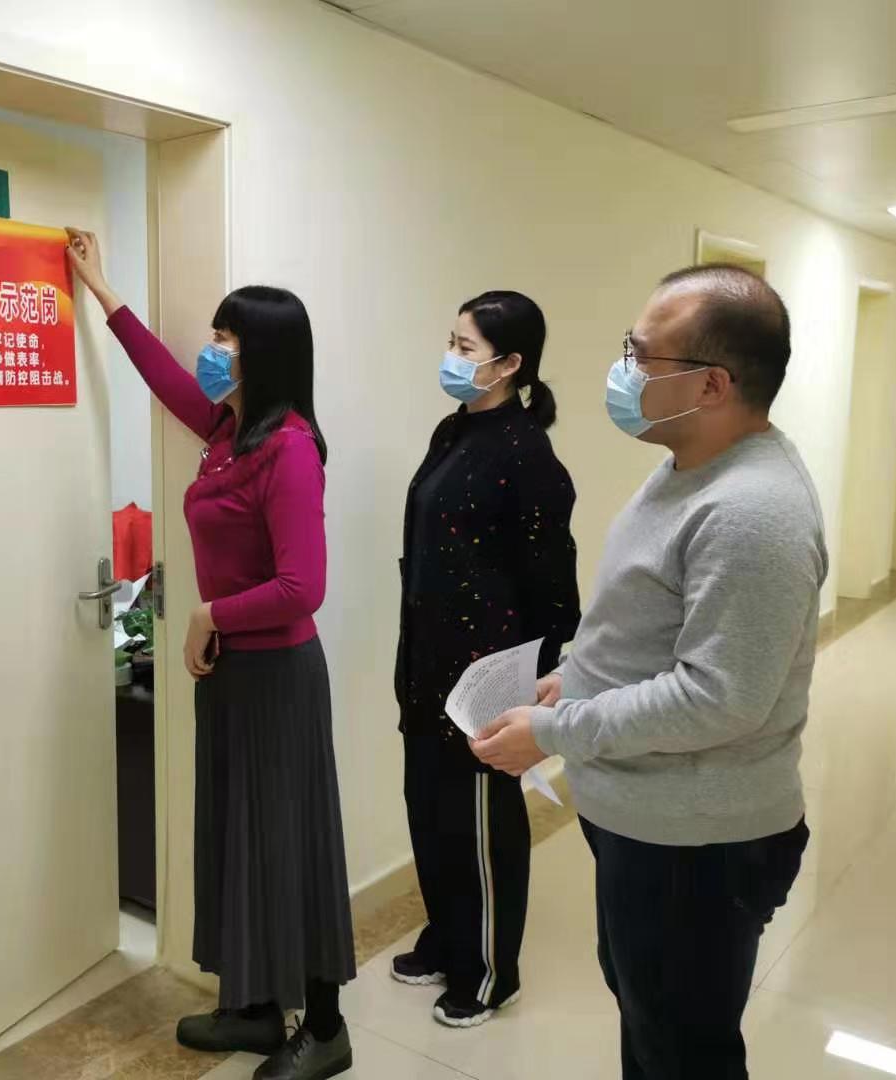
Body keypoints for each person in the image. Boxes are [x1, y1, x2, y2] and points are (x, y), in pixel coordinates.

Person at [474, 265, 823, 1079]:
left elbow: (719, 698)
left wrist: (555, 731)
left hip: (697, 846)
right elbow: (648, 619)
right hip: (650, 821)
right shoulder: (687, 465)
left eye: (641, 354)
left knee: (682, 1051)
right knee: (652, 1020)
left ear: (711, 384)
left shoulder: (752, 511)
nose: (622, 370)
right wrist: (578, 677)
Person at [66, 228, 357, 1080]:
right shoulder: (231, 429)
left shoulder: (289, 447)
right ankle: (259, 1008)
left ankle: (326, 1028)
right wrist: (102, 291)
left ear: (265, 353)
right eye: (215, 335)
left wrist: (206, 616)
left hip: (278, 677)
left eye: (227, 338)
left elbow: (304, 587)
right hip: (232, 673)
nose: (212, 349)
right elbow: (165, 377)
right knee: (240, 837)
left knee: (289, 844)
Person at [392, 291, 580, 1027]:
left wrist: (532, 677)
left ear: (509, 364)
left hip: (484, 679)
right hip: (425, 665)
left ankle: (492, 970)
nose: (451, 357)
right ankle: (447, 937)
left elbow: (552, 581)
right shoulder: (453, 430)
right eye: (452, 342)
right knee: (429, 810)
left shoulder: (526, 452)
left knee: (479, 824)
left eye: (465, 348)